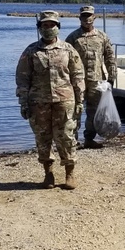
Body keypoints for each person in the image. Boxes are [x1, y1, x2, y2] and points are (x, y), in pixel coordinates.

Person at [16, 10, 85, 190]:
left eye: (52, 25)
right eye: (44, 25)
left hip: (64, 101)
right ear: (39, 28)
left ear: (58, 27)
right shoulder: (31, 51)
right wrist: (23, 102)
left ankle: (70, 174)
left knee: (66, 137)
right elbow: (23, 78)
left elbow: (78, 76)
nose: (48, 28)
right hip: (38, 103)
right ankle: (48, 173)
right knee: (43, 138)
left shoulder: (68, 50)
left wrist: (80, 101)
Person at [65, 5, 117, 149]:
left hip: (96, 80)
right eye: (84, 16)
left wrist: (111, 78)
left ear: (94, 17)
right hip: (77, 81)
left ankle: (89, 139)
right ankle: (72, 141)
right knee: (75, 110)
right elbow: (65, 59)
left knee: (94, 111)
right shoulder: (73, 37)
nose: (87, 19)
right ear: (79, 18)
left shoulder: (102, 37)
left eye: (89, 16)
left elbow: (110, 58)